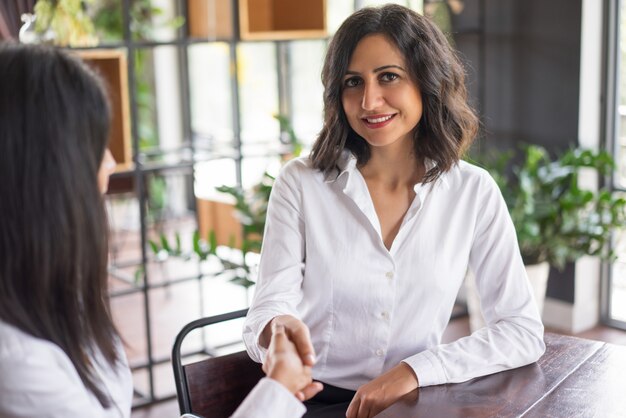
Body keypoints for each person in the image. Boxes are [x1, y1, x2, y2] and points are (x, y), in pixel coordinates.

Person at [243, 4, 546, 418]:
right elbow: (267, 305)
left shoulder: (473, 192)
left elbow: (521, 330)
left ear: (427, 80)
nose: (369, 100)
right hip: (310, 400)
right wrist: (277, 329)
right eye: (353, 82)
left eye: (389, 76)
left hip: (419, 399)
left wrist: (415, 370)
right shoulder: (299, 182)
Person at [0, 43, 321, 418]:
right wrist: (277, 391)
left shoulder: (48, 299)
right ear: (39, 172)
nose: (109, 164)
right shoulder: (16, 362)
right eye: (93, 147)